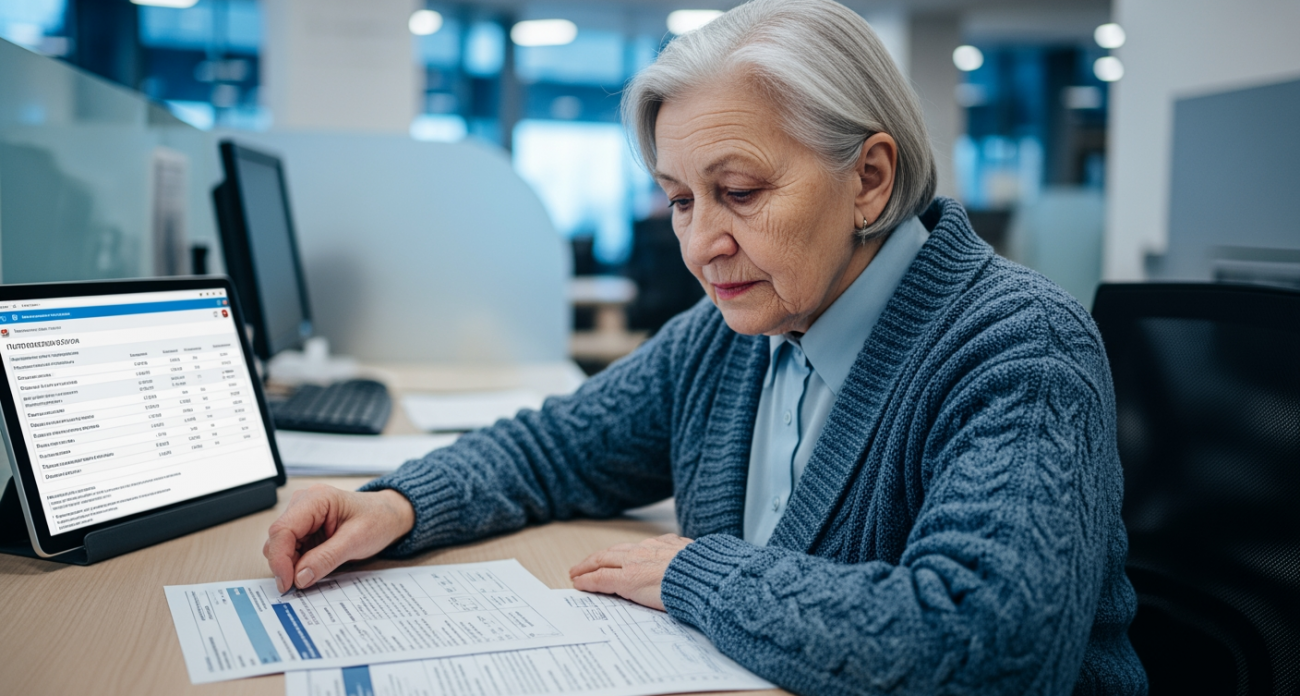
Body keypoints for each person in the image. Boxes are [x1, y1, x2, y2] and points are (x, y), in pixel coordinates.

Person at [262, 1, 1147, 693]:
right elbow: (556, 449)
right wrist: (402, 504)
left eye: (740, 191)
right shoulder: (735, 334)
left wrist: (700, 575)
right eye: (681, 199)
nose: (701, 245)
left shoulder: (1019, 349)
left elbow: (984, 649)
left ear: (869, 181)